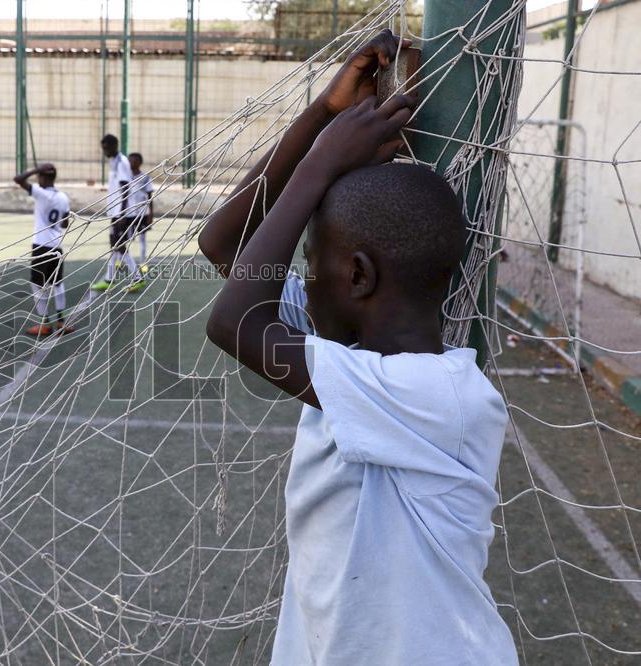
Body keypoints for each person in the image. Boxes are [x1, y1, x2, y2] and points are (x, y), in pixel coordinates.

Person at [199, 30, 517, 666]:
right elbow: (225, 248)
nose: (301, 278)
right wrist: (324, 115)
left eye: (310, 264)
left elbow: (233, 322)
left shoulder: (438, 397)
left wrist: (321, 165)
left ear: (358, 277)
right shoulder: (346, 352)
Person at [13, 162, 74, 337]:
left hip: (41, 246)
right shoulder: (63, 197)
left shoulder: (41, 194)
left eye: (39, 175)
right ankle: (61, 322)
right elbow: (65, 223)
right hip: (57, 246)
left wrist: (35, 169)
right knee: (57, 283)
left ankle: (45, 324)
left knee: (37, 285)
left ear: (42, 177)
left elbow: (18, 179)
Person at [92, 134, 144, 293]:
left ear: (114, 146)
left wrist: (122, 213)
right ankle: (109, 279)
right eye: (103, 148)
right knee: (114, 244)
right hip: (117, 212)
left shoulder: (121, 162)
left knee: (119, 245)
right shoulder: (114, 161)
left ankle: (138, 278)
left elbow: (125, 188)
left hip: (124, 213)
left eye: (106, 148)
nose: (105, 151)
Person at [127, 152, 154, 274]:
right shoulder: (126, 177)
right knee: (127, 239)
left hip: (142, 214)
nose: (130, 163)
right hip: (129, 213)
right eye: (129, 160)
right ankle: (124, 260)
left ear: (139, 163)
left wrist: (151, 214)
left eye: (133, 161)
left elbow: (149, 196)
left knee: (142, 239)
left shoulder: (145, 178)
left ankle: (143, 262)